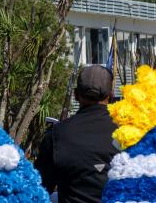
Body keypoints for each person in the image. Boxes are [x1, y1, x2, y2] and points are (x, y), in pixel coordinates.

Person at [36, 64, 118, 203]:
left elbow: (39, 190)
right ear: (111, 96)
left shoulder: (56, 135)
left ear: (75, 95)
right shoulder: (129, 133)